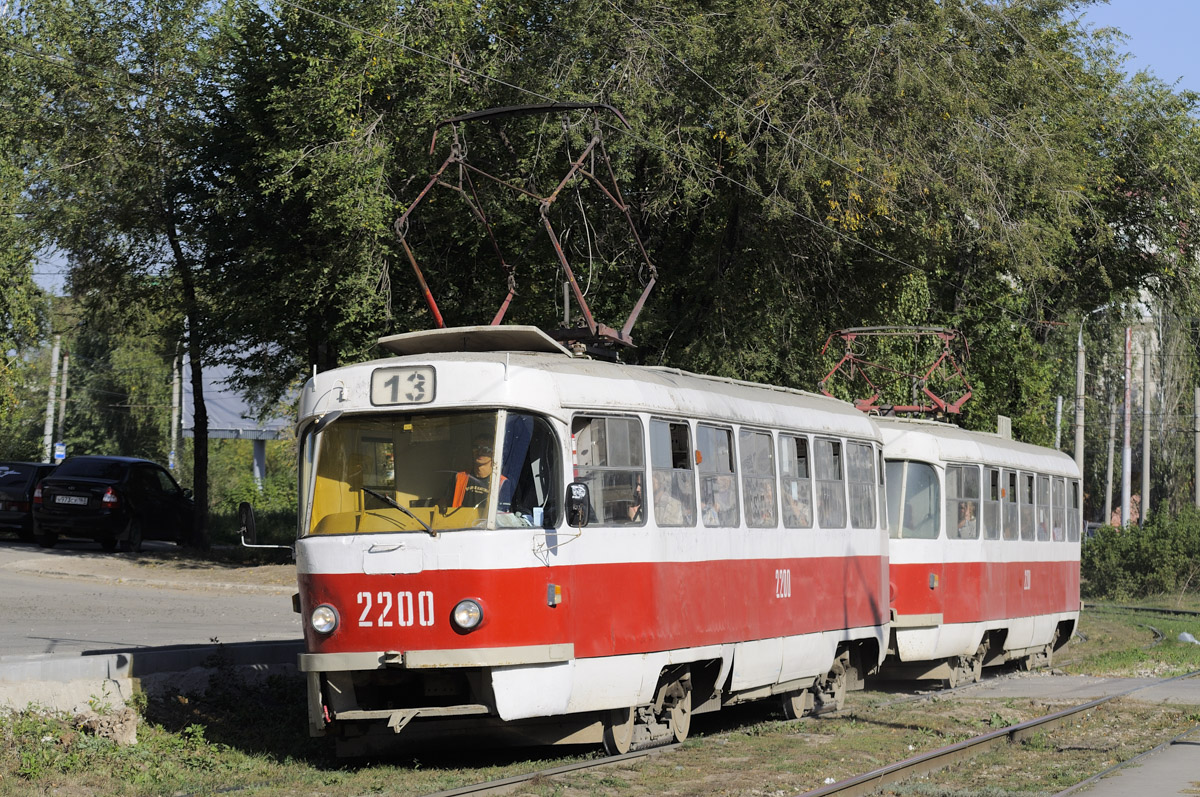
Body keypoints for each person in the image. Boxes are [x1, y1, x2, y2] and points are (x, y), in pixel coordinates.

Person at [446, 435, 512, 510]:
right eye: (476, 448)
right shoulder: (459, 477)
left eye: (486, 449)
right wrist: (442, 502)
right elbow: (447, 501)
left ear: (494, 453)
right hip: (459, 520)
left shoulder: (501, 482)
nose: (480, 452)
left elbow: (502, 514)